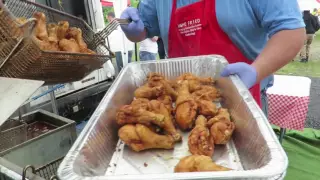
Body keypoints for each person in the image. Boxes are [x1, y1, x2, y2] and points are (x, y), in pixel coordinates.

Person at [119, 0, 305, 116]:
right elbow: (142, 31)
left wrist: (256, 71)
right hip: (180, 102)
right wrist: (132, 29)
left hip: (243, 96)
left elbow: (291, 32)